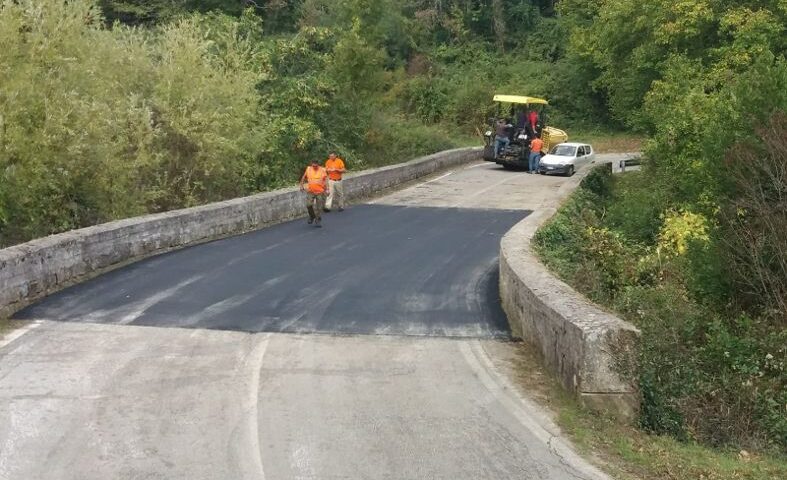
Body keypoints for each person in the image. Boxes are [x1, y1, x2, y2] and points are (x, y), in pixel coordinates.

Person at [299, 159, 330, 227]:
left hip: (320, 192)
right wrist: (301, 185)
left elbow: (326, 180)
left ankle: (317, 220)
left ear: (318, 165)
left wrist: (327, 189)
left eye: (316, 166)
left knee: (319, 208)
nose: (314, 167)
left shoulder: (322, 170)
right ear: (311, 164)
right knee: (308, 205)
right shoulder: (308, 169)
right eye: (313, 166)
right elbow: (303, 177)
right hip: (311, 191)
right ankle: (312, 216)